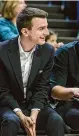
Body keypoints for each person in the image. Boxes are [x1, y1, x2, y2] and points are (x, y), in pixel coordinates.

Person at [0, 7, 64, 136]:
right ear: (25, 31)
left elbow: (42, 87)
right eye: (41, 29)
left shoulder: (48, 51)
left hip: (34, 104)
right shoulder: (2, 51)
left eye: (46, 27)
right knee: (11, 121)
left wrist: (34, 115)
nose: (46, 33)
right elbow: (3, 90)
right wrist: (21, 115)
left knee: (56, 120)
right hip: (9, 105)